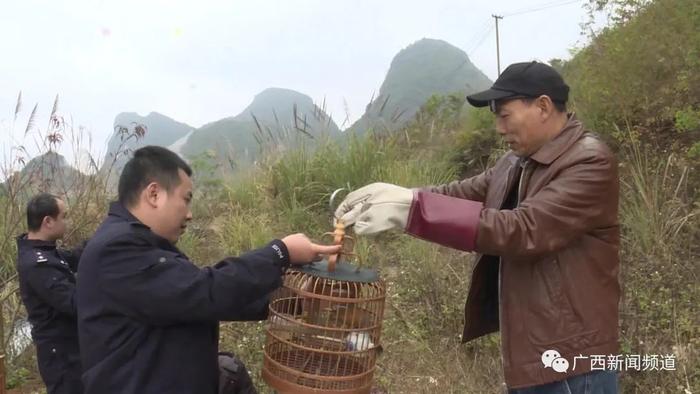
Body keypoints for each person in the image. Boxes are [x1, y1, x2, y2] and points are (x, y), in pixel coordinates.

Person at [335, 61, 620, 393]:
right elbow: (463, 193)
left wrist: (411, 211)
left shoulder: (588, 162)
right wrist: (401, 195)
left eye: (505, 115)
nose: (499, 128)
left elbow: (523, 229)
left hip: (572, 360)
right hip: (536, 350)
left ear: (543, 106)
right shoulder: (515, 162)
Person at [76, 146, 340, 393]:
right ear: (154, 194)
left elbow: (200, 303)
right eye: (186, 199)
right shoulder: (117, 249)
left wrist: (293, 301)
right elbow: (205, 290)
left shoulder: (146, 246)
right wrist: (280, 252)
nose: (190, 214)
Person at [16, 193, 84, 394]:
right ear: (48, 222)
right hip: (61, 357)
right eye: (64, 216)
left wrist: (105, 236)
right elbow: (74, 302)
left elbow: (75, 257)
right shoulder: (38, 264)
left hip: (69, 349)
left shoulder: (46, 252)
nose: (68, 222)